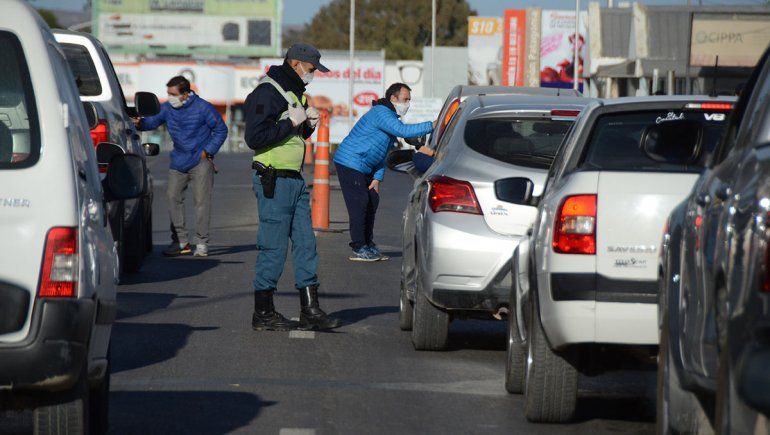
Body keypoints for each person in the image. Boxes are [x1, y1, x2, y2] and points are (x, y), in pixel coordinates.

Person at [244, 43, 340, 331]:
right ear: (296, 63)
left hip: (294, 179)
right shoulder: (268, 91)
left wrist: (307, 125)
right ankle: (263, 312)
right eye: (311, 69)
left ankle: (310, 308)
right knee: (273, 247)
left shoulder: (293, 93)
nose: (313, 75)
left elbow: (293, 135)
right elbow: (256, 137)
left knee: (306, 244)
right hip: (273, 178)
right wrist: (291, 123)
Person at [334, 83, 434, 261]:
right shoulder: (381, 113)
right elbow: (402, 131)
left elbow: (382, 152)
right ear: (393, 99)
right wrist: (432, 125)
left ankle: (368, 244)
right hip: (350, 162)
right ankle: (359, 246)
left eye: (409, 100)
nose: (408, 104)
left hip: (364, 165)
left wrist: (377, 177)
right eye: (405, 99)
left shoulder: (390, 117)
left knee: (372, 200)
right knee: (360, 202)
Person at [134, 76, 227, 258]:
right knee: (172, 198)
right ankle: (181, 242)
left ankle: (201, 243)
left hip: (201, 161)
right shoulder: (168, 108)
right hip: (178, 161)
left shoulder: (203, 108)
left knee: (201, 203)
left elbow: (221, 129)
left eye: (173, 94)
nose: (169, 97)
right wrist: (139, 123)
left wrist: (207, 151)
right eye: (168, 93)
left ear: (186, 94)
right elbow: (152, 122)